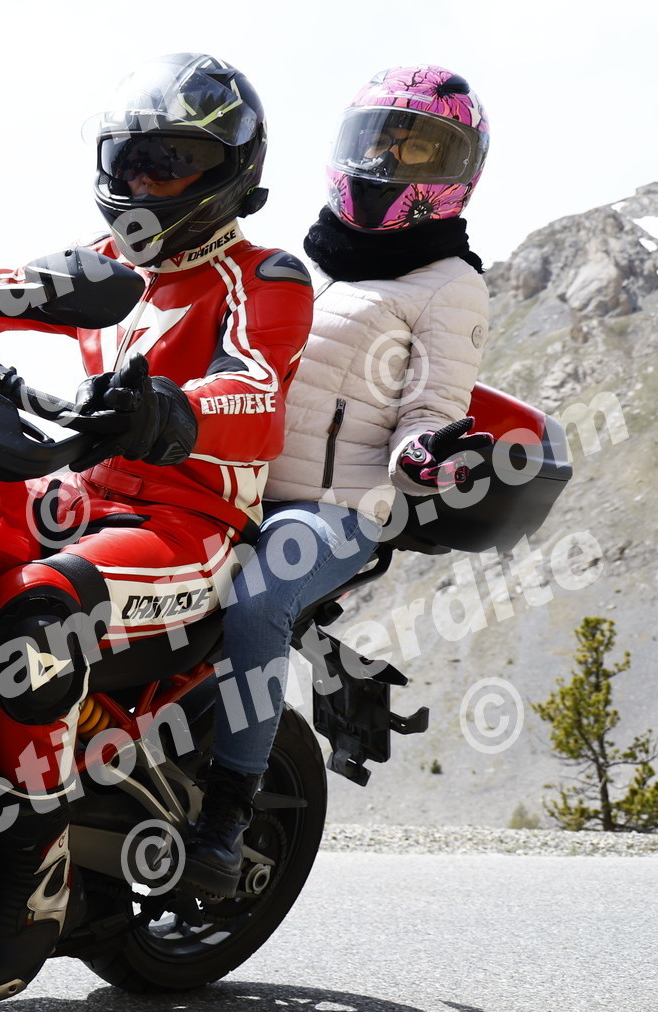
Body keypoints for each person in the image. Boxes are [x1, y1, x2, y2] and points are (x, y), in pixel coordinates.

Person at [0, 53, 313, 1003]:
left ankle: (33, 869)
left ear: (231, 169)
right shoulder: (106, 271)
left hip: (188, 523)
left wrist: (169, 408)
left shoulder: (263, 275)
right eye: (131, 161)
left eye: (173, 162)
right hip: (74, 498)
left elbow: (257, 391)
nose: (145, 183)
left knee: (37, 612)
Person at [182, 65, 494, 896]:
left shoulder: (450, 283)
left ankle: (227, 812)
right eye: (380, 138)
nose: (390, 160)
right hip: (237, 484)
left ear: (457, 171)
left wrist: (424, 454)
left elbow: (432, 406)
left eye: (420, 148)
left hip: (336, 507)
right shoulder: (306, 261)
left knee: (258, 595)